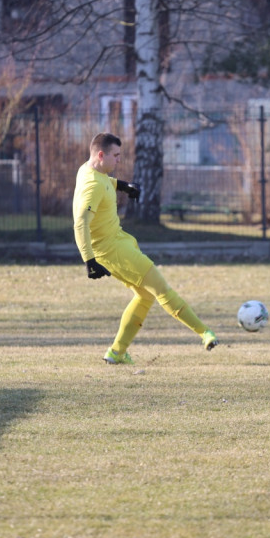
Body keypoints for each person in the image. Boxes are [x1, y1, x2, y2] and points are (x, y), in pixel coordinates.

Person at [73, 132, 219, 364]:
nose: (119, 160)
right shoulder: (92, 184)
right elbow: (81, 222)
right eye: (116, 156)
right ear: (101, 155)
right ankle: (205, 333)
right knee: (161, 289)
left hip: (118, 242)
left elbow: (105, 183)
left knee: (144, 296)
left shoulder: (89, 170)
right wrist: (89, 260)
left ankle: (116, 352)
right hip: (114, 251)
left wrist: (123, 186)